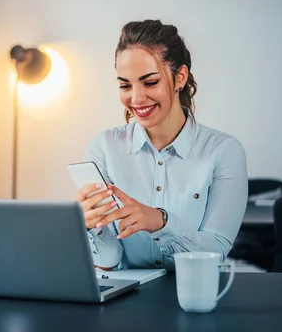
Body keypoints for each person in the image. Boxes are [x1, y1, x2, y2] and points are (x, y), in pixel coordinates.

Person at [76, 19, 248, 271]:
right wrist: (92, 228)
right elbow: (109, 261)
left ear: (180, 77)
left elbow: (216, 251)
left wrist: (161, 222)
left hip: (195, 293)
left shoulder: (224, 151)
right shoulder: (102, 148)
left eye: (150, 82)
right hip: (127, 301)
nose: (136, 98)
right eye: (125, 85)